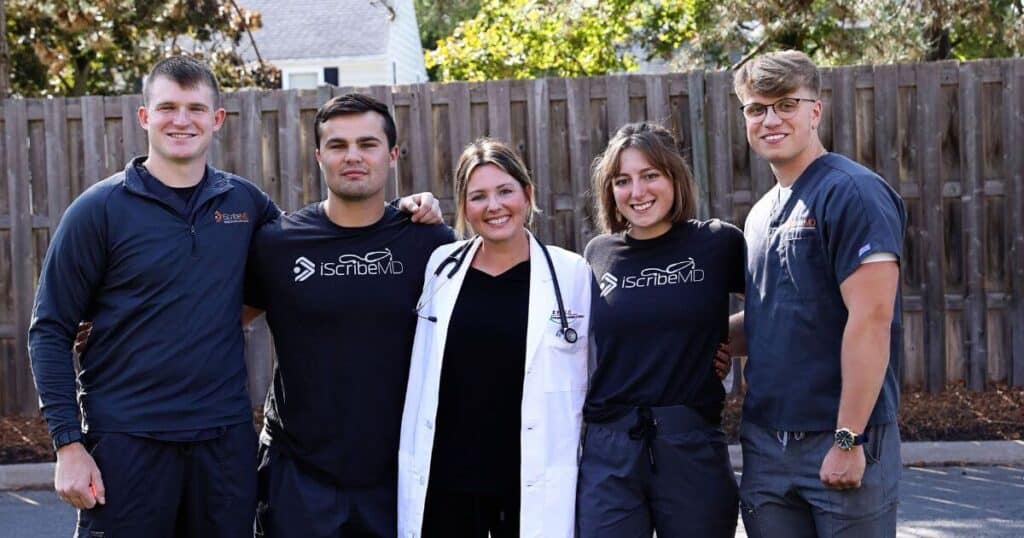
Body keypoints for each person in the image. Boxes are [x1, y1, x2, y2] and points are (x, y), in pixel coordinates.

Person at [27, 56, 278, 537]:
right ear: (144, 117)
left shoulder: (244, 204)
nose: (181, 121)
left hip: (222, 445)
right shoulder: (98, 210)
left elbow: (311, 253)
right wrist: (68, 446)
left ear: (216, 119)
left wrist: (403, 212)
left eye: (195, 109)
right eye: (167, 107)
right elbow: (49, 331)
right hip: (126, 444)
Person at [243, 93, 453, 537]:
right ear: (319, 156)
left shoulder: (429, 243)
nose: (352, 156)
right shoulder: (278, 245)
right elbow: (215, 324)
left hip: (398, 474)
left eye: (367, 144)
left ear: (392, 154)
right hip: (298, 475)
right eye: (337, 145)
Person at [728, 50, 906, 537]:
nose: (770, 119)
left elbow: (871, 319)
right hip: (766, 446)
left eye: (786, 104)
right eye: (756, 108)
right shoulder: (761, 213)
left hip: (840, 436)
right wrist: (705, 339)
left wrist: (849, 439)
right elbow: (775, 314)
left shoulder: (854, 193)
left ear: (815, 111)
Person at [397, 139, 591, 538]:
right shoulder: (440, 267)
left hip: (531, 478)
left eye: (505, 191)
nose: (494, 206)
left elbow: (600, 364)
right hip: (448, 480)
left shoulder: (570, 274)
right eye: (478, 196)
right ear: (464, 208)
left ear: (528, 194)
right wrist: (407, 206)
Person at [576, 122, 743, 537]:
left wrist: (729, 341)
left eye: (650, 175)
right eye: (622, 180)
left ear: (674, 177)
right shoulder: (598, 254)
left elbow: (778, 310)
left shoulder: (718, 243)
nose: (638, 192)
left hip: (691, 445)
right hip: (609, 449)